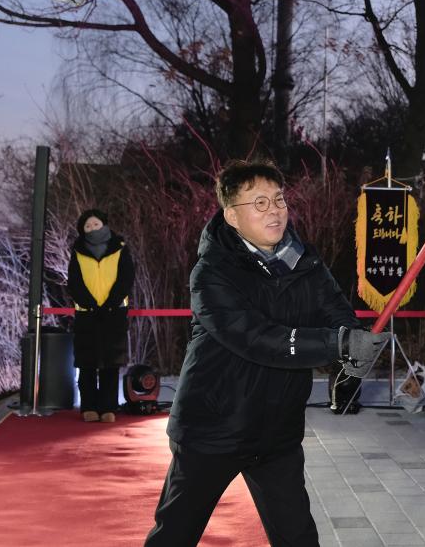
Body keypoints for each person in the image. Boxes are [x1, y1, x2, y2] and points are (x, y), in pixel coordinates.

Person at [145, 159, 391, 546]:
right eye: (259, 203)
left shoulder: (305, 262)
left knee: (298, 538)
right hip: (214, 429)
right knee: (175, 534)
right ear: (232, 216)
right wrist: (335, 344)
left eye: (279, 199)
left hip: (276, 433)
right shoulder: (211, 274)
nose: (274, 210)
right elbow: (257, 338)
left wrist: (352, 351)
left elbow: (336, 313)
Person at [67, 209, 135, 423]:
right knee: (86, 363)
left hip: (114, 313)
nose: (92, 228)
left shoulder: (120, 248)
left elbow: (126, 278)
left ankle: (108, 407)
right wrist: (90, 304)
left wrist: (110, 303)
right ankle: (88, 406)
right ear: (82, 230)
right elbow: (74, 282)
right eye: (87, 226)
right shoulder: (77, 252)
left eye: (95, 224)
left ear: (104, 224)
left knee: (110, 363)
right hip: (86, 315)